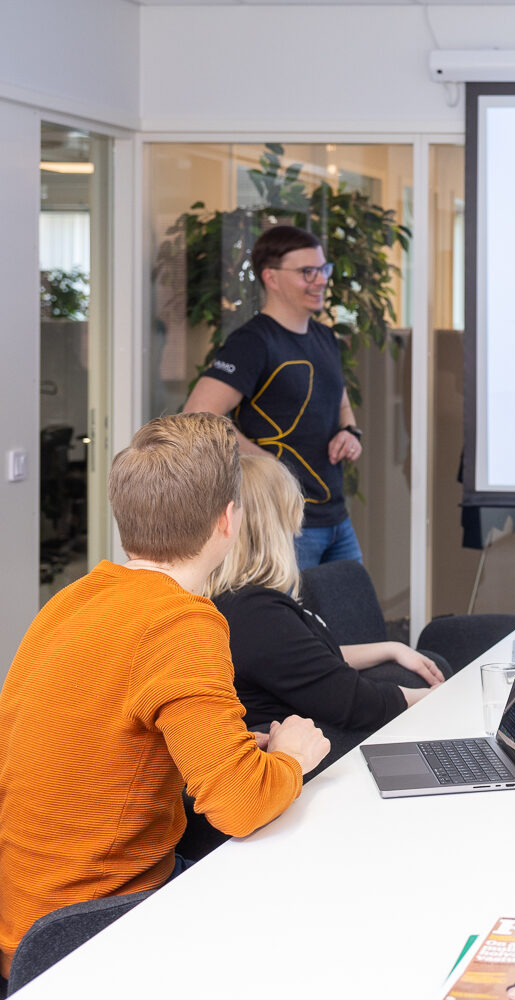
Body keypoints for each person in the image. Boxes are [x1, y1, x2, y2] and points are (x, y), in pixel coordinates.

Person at [0, 413, 330, 975]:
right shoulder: (182, 622)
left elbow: (94, 742)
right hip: (88, 928)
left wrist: (225, 747)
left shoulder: (74, 597)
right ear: (228, 521)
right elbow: (240, 805)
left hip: (22, 918)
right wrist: (293, 758)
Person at [206, 454, 444, 745]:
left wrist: (389, 648)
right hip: (304, 755)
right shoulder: (256, 614)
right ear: (274, 527)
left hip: (306, 731)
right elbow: (350, 701)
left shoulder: (239, 600)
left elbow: (307, 663)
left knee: (417, 669)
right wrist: (434, 699)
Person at [182, 224, 364, 569]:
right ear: (272, 277)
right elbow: (198, 417)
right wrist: (267, 465)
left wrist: (349, 433)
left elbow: (340, 402)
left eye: (323, 269)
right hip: (283, 523)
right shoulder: (252, 342)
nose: (321, 280)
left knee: (350, 618)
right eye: (307, 272)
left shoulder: (325, 337)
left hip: (336, 519)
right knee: (294, 623)